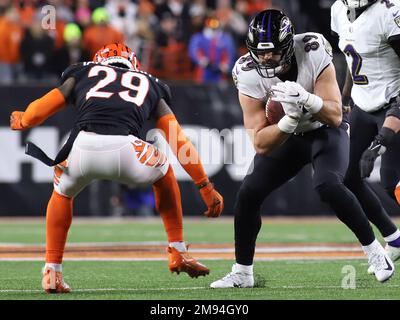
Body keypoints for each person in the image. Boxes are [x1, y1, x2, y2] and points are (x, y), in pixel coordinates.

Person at [10, 43, 224, 293]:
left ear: (99, 61)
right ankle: (177, 250)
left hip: (83, 148)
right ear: (133, 64)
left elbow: (44, 107)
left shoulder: (83, 73)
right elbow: (179, 142)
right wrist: (204, 185)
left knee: (62, 194)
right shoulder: (149, 83)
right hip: (127, 151)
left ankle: (52, 271)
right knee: (163, 169)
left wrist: (25, 119)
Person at [210, 9, 395, 288]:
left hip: (325, 131)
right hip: (290, 134)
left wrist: (308, 100)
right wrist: (289, 121)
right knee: (248, 193)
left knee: (328, 185)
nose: (265, 58)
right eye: (260, 53)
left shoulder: (312, 48)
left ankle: (375, 252)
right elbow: (260, 142)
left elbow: (334, 115)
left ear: (287, 44)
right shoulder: (247, 72)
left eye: (272, 51)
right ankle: (243, 271)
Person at [331, 0, 400, 274]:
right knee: (347, 178)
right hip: (363, 104)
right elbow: (353, 57)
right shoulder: (339, 10)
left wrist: (382, 140)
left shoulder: (389, 11)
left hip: (393, 102)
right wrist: (345, 96)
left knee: (391, 181)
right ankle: (394, 239)